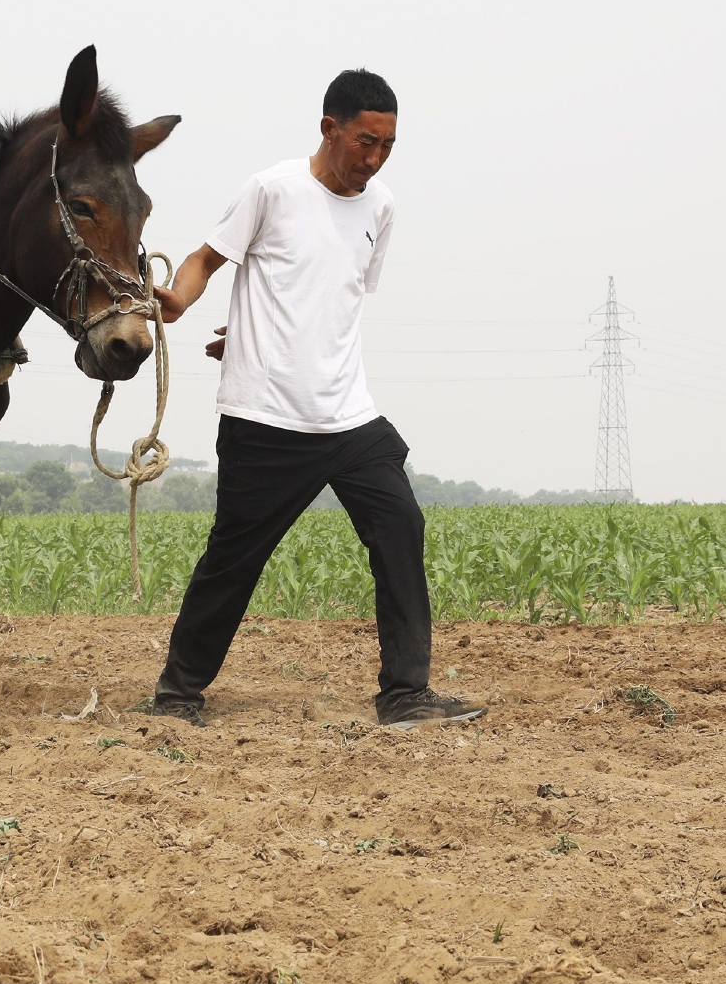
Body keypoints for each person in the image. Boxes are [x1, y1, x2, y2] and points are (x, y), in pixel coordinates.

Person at [144, 70, 483, 728]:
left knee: (401, 524)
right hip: (265, 418)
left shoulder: (380, 207)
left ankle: (406, 693)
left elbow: (333, 298)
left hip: (348, 414)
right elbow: (203, 260)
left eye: (387, 144)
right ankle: (178, 692)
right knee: (233, 559)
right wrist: (180, 302)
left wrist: (254, 329)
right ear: (329, 129)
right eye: (365, 141)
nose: (375, 157)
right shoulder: (272, 190)